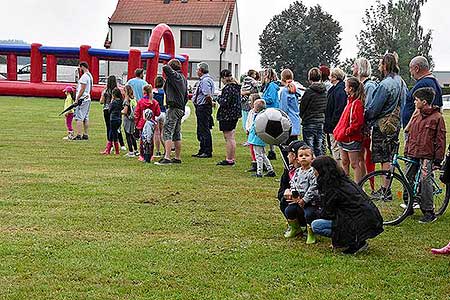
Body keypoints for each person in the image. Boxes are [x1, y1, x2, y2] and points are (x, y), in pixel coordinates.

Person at [311, 156, 384, 254]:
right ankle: (352, 239)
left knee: (316, 225)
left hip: (359, 222)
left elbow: (329, 212)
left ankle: (353, 242)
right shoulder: (343, 181)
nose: (314, 172)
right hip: (368, 218)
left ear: (322, 170)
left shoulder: (333, 188)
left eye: (315, 170)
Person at [404, 87, 446, 223]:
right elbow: (410, 134)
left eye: (416, 100)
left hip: (427, 155)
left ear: (424, 101)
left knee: (425, 180)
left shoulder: (437, 118)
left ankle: (429, 212)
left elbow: (440, 140)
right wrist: (407, 150)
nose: (414, 102)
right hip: (413, 152)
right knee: (408, 177)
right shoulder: (416, 115)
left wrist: (438, 160)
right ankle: (409, 204)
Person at [365, 53, 408, 173]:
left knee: (384, 158)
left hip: (383, 125)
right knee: (391, 157)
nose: (379, 67)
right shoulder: (402, 82)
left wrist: (366, 116)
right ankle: (387, 187)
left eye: (380, 64)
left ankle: (384, 189)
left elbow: (374, 108)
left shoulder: (385, 84)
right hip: (396, 124)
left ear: (385, 65)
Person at [333, 77, 365, 183]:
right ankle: (345, 184)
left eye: (346, 86)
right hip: (344, 138)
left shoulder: (357, 103)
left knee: (354, 164)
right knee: (345, 161)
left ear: (350, 88)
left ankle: (357, 186)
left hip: (351, 138)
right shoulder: (349, 102)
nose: (344, 89)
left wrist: (348, 131)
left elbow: (357, 122)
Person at [287, 145, 321, 244]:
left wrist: (304, 200)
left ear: (312, 158)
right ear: (297, 159)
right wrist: (294, 194)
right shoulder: (297, 171)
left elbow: (313, 187)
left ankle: (311, 233)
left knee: (309, 214)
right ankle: (296, 229)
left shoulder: (313, 172)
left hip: (311, 202)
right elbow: (292, 183)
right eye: (301, 155)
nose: (304, 157)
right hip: (298, 199)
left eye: (307, 155)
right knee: (289, 210)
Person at [158, 59, 189, 165]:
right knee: (176, 133)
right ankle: (177, 157)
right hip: (180, 108)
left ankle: (167, 157)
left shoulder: (175, 76)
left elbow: (166, 69)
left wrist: (166, 64)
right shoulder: (183, 78)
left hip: (173, 108)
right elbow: (186, 96)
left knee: (167, 131)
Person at [353, 57, 377, 181]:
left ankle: (369, 183)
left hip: (366, 127)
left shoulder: (370, 86)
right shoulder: (360, 85)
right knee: (359, 157)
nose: (353, 68)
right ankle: (362, 183)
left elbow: (369, 107)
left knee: (366, 157)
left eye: (355, 66)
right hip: (361, 127)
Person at [402, 56, 443, 128]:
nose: (410, 72)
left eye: (410, 68)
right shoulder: (434, 82)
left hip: (417, 130)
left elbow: (418, 111)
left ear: (417, 68)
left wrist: (408, 128)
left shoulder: (423, 84)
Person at [278, 140, 307, 237]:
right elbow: (280, 192)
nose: (287, 156)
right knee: (283, 201)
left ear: (294, 156)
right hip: (293, 201)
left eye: (288, 154)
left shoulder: (311, 171)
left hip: (307, 202)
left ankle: (308, 227)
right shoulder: (288, 171)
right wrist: (286, 191)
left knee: (296, 209)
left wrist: (300, 198)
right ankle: (295, 227)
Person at [216, 69, 242, 166]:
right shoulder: (236, 87)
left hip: (227, 115)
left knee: (229, 138)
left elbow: (224, 102)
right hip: (234, 114)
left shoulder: (228, 88)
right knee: (231, 136)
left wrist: (218, 97)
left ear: (224, 78)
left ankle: (229, 159)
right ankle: (231, 158)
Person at [300, 67, 327, 157]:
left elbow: (302, 106)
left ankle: (311, 167)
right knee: (319, 146)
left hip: (309, 121)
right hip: (320, 121)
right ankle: (320, 167)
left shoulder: (309, 92)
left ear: (309, 78)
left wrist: (303, 116)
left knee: (309, 147)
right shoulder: (324, 91)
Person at [247, 99, 276, 178]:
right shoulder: (262, 116)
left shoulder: (258, 117)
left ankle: (259, 172)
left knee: (258, 156)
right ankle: (270, 170)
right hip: (259, 139)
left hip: (256, 139)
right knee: (263, 155)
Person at [324, 68, 347, 164]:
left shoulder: (339, 90)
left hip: (335, 124)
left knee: (336, 147)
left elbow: (339, 108)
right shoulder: (336, 89)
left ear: (334, 77)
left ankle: (338, 168)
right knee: (335, 146)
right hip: (334, 123)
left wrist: (333, 123)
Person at [192, 62, 215, 158]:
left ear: (201, 70)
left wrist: (209, 103)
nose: (196, 71)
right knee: (201, 129)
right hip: (202, 107)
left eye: (197, 69)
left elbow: (207, 95)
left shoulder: (205, 81)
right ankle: (202, 149)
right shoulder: (205, 80)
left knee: (204, 129)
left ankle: (207, 150)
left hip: (203, 107)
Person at [99, 75, 126, 153]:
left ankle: (110, 145)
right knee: (117, 128)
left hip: (107, 110)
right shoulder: (118, 91)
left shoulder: (106, 91)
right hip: (117, 111)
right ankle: (122, 144)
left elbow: (101, 101)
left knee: (109, 128)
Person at [134, 84, 161, 162]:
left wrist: (136, 123)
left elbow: (137, 113)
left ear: (144, 91)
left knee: (143, 139)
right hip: (151, 123)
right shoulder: (154, 102)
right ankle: (151, 155)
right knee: (150, 139)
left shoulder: (141, 102)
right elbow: (158, 113)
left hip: (142, 123)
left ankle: (142, 155)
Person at [261, 68, 280, 160]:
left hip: (271, 111)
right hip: (269, 111)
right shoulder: (268, 86)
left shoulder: (271, 86)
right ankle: (271, 150)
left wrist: (261, 99)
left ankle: (272, 151)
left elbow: (271, 99)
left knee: (270, 132)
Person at [71, 61, 93, 140]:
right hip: (87, 98)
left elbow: (82, 89)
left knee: (79, 117)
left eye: (79, 67)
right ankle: (85, 134)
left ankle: (79, 134)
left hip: (82, 99)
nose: (79, 69)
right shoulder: (90, 76)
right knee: (86, 117)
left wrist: (77, 98)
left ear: (82, 67)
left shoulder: (84, 76)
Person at [279, 69, 300, 142]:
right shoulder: (295, 90)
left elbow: (284, 109)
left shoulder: (284, 91)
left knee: (286, 146)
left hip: (288, 122)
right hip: (296, 120)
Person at [101, 88, 123, 155]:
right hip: (119, 119)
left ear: (114, 95)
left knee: (112, 134)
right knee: (114, 132)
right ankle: (110, 149)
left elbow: (109, 110)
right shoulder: (121, 101)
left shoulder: (113, 102)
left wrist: (111, 102)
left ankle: (114, 150)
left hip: (113, 119)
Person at [240, 70, 260, 139]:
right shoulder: (252, 81)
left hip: (243, 102)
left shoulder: (244, 81)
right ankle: (250, 136)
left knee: (246, 120)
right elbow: (257, 86)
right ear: (252, 75)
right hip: (248, 104)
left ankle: (249, 136)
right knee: (249, 120)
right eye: (254, 74)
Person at [121, 85, 138, 157]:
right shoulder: (134, 99)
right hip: (133, 119)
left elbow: (125, 111)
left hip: (127, 119)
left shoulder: (126, 100)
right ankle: (136, 150)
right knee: (132, 134)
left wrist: (120, 111)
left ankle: (130, 151)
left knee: (128, 135)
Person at [153, 76, 166, 158]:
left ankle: (157, 151)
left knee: (156, 133)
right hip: (163, 113)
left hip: (156, 113)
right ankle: (166, 149)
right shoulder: (165, 92)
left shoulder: (153, 91)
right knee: (162, 133)